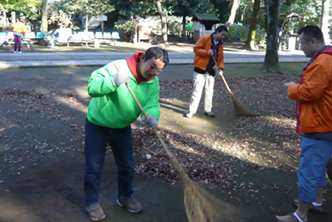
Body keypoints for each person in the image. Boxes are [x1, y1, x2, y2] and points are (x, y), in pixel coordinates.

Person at [276, 25, 332, 222]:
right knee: (317, 166)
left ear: (313, 41)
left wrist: (292, 88)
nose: (300, 46)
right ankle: (316, 201)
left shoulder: (322, 62)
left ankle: (300, 215)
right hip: (329, 121)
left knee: (308, 170)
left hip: (321, 123)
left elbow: (310, 93)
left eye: (302, 42)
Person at [84, 46, 169, 221]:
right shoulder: (117, 67)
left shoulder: (153, 81)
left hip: (122, 127)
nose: (153, 72)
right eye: (151, 66)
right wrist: (112, 81)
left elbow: (152, 102)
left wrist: (153, 114)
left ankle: (125, 197)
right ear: (143, 58)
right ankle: (92, 202)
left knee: (127, 166)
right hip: (98, 124)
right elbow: (92, 87)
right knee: (94, 167)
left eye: (158, 70)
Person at [185, 25, 228, 118]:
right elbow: (196, 49)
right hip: (200, 69)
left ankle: (208, 110)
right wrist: (206, 52)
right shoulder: (204, 39)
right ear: (217, 32)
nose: (223, 37)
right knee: (197, 90)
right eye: (222, 34)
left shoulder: (220, 44)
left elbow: (220, 58)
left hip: (212, 70)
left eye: (224, 35)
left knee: (209, 91)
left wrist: (220, 68)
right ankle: (192, 111)